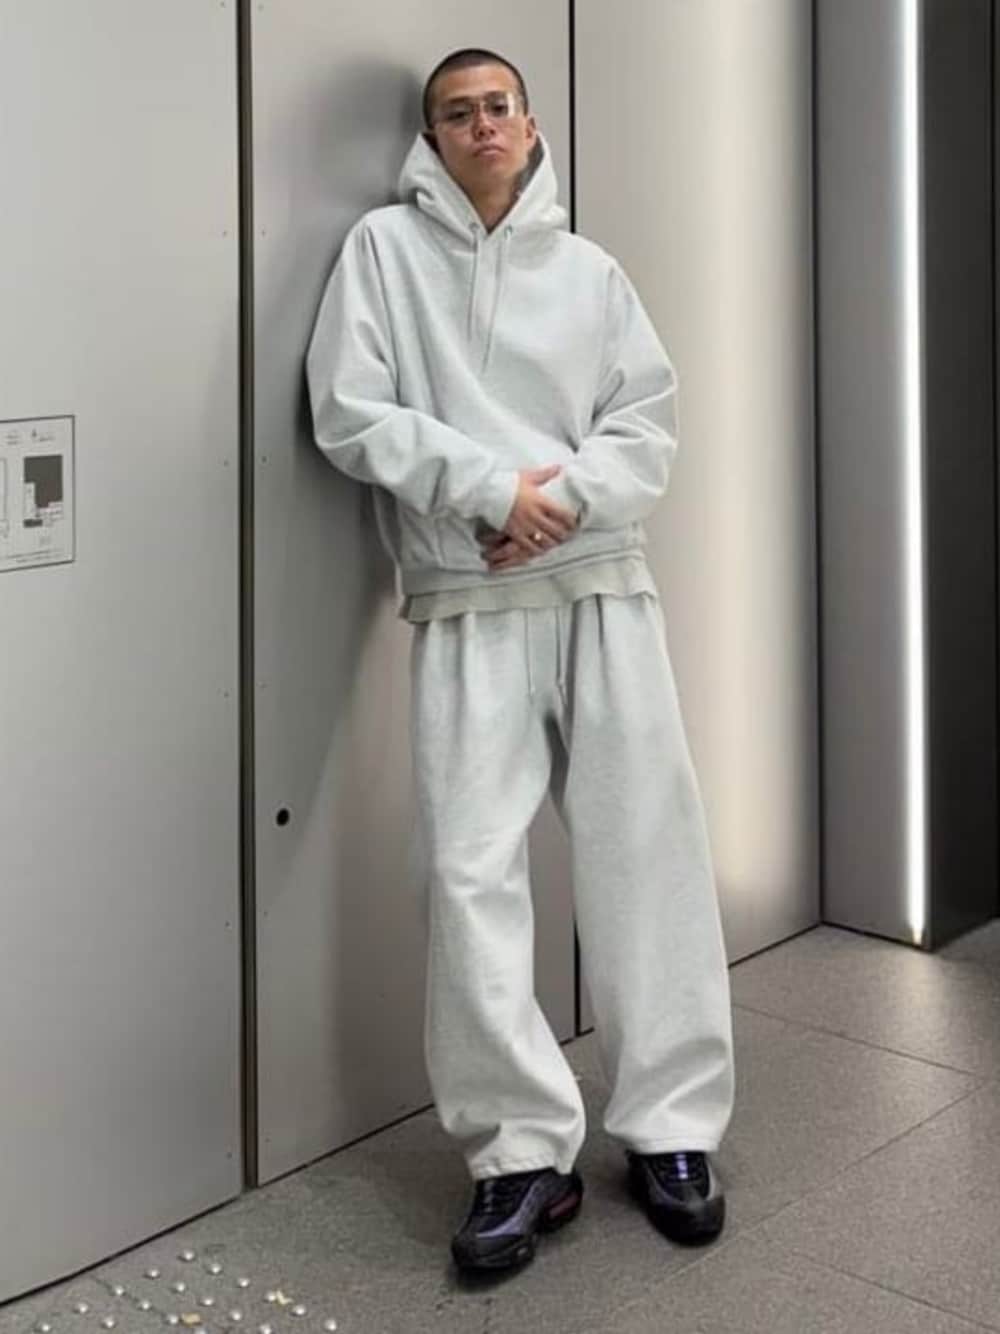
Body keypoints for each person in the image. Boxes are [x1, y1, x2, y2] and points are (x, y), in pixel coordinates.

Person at [306, 47, 735, 1275]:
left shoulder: (590, 272)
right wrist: (495, 489)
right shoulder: (381, 254)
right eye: (457, 112)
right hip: (466, 597)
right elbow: (349, 408)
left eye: (498, 105)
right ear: (430, 138)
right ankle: (518, 1152)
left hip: (601, 585)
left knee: (647, 852)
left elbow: (645, 424)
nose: (482, 124)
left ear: (530, 124)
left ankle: (671, 1126)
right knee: (468, 871)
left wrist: (563, 506)